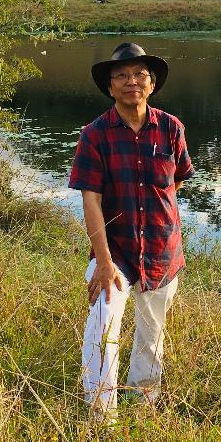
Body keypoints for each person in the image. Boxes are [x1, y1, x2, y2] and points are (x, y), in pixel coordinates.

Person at [68, 42, 194, 420]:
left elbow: (176, 181)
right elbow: (91, 201)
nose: (131, 82)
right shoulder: (94, 135)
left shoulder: (171, 128)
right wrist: (104, 262)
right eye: (121, 76)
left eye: (140, 74)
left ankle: (143, 406)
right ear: (110, 87)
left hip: (161, 250)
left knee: (151, 336)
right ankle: (101, 415)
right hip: (116, 252)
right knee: (103, 325)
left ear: (151, 84)